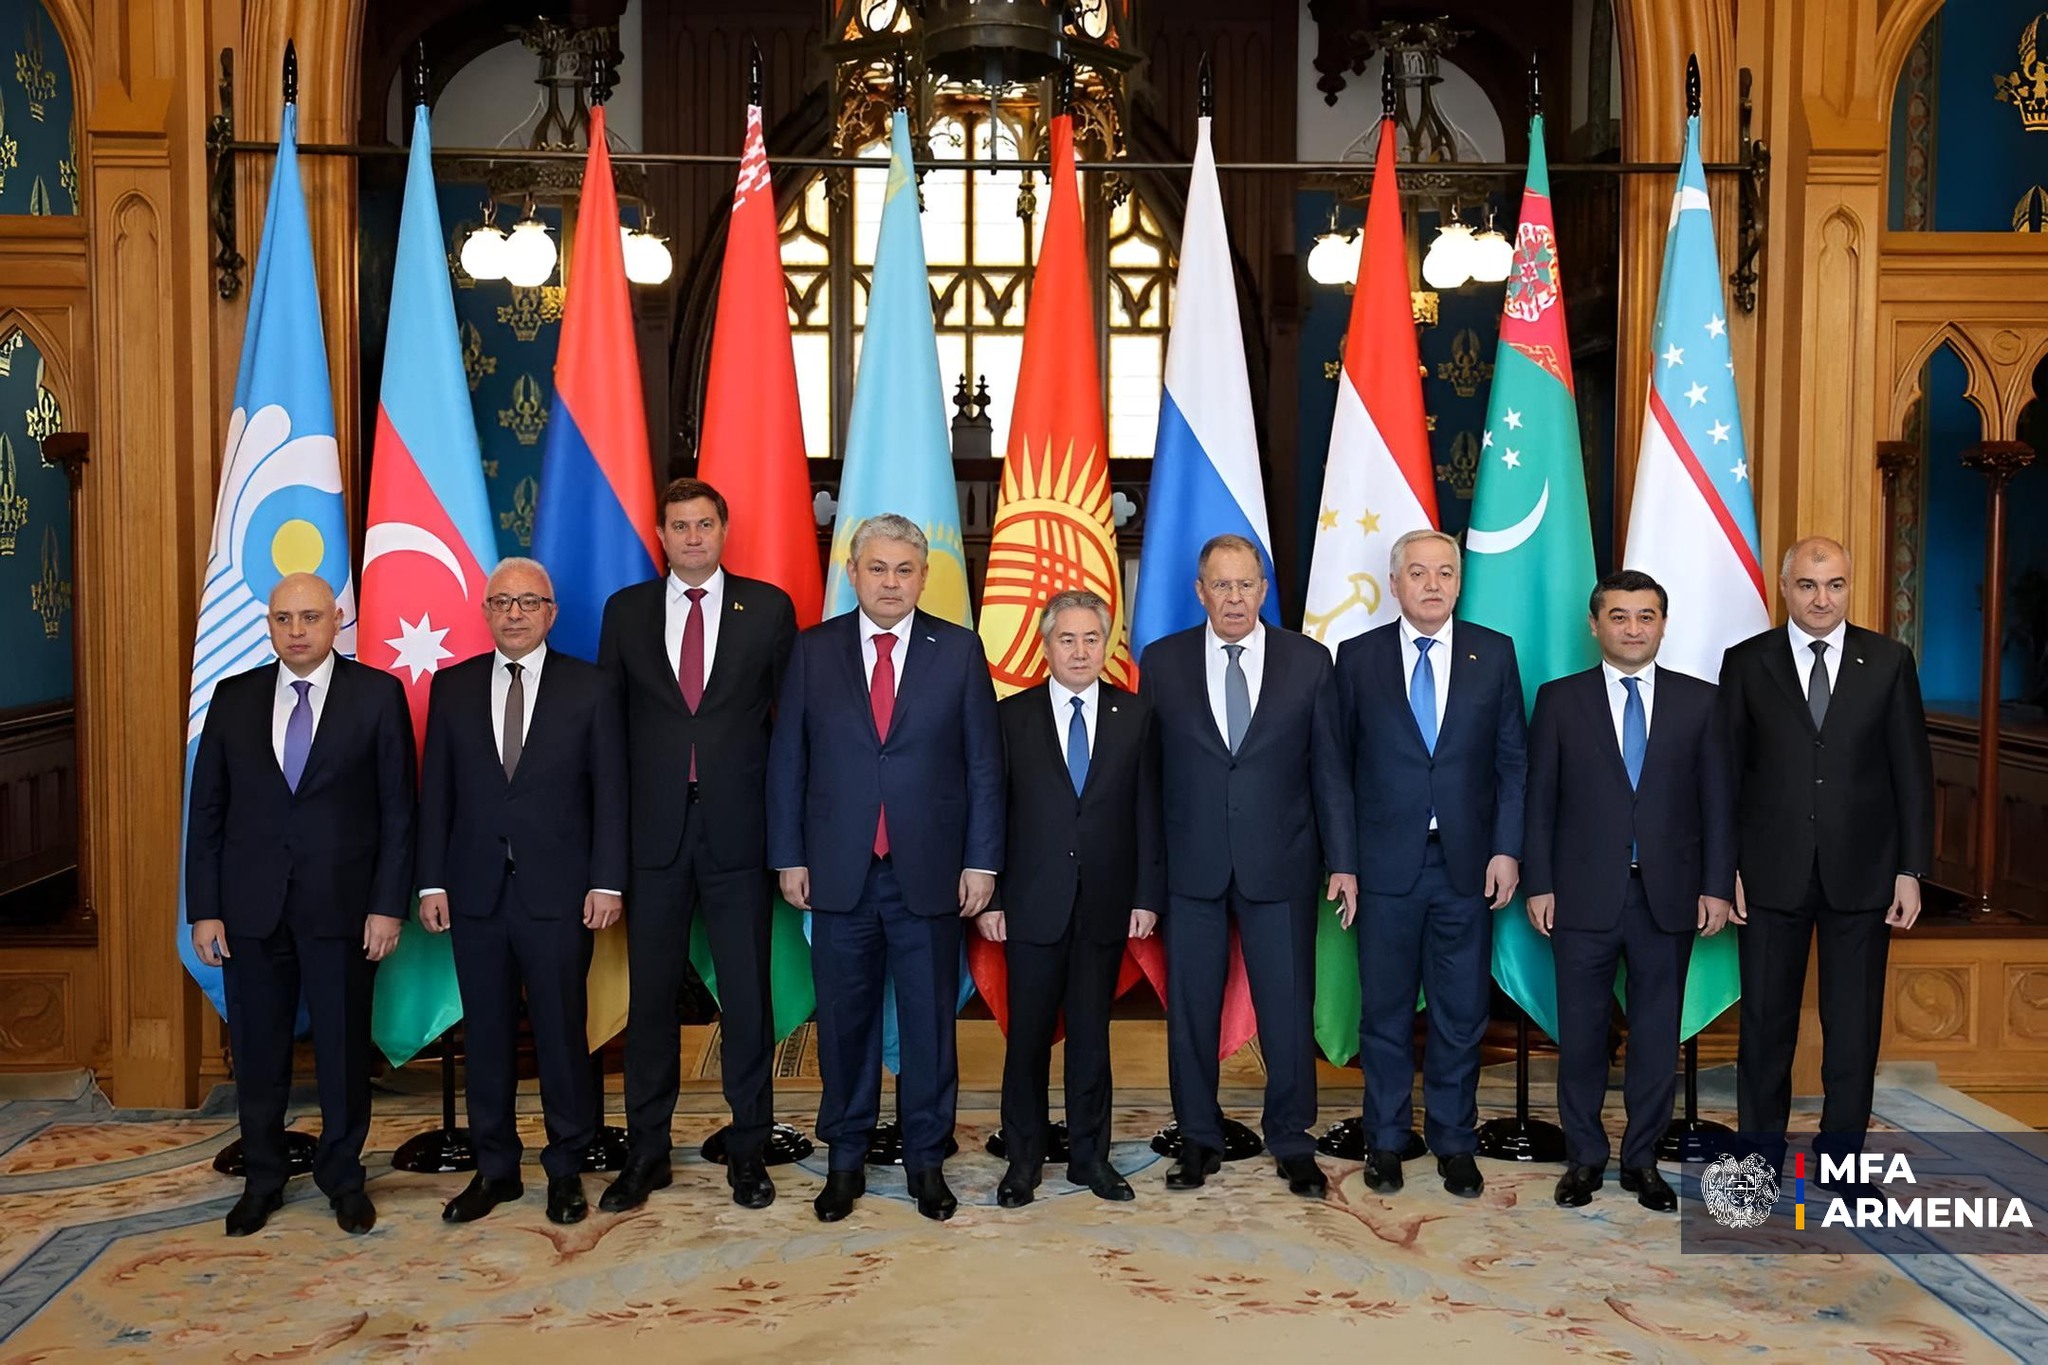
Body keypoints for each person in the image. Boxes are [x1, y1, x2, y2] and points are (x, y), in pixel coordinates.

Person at [767, 513, 1003, 1223]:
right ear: (853, 573)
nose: (891, 582)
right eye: (877, 568)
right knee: (845, 1024)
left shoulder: (958, 650)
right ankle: (845, 1160)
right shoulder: (813, 650)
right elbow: (788, 760)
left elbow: (984, 765)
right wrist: (789, 854)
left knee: (929, 1024)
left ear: (924, 577)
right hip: (837, 871)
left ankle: (926, 1159)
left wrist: (982, 861)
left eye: (905, 570)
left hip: (929, 872)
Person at [186, 572, 414, 1237]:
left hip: (344, 909)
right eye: (283, 619)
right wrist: (205, 908)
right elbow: (207, 812)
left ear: (336, 619)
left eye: (310, 616)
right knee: (258, 1055)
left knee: (343, 1052)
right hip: (249, 911)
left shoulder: (377, 695)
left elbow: (399, 811)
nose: (296, 630)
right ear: (269, 625)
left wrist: (387, 905)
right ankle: (263, 1178)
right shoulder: (233, 698)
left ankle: (343, 1177)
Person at [595, 478, 798, 1213]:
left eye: (703, 524)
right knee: (651, 1003)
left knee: (747, 1000)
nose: (691, 537)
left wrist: (790, 842)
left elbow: (792, 732)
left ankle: (749, 1149)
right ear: (660, 535)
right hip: (652, 838)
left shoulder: (767, 609)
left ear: (723, 529)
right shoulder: (625, 611)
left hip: (740, 835)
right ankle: (646, 1153)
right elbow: (608, 737)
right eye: (678, 526)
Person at [1139, 533, 1356, 1196]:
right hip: (1191, 868)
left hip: (1282, 862)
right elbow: (1148, 781)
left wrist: (1344, 861)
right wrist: (1147, 879)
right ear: (1200, 592)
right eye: (1221, 585)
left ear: (1263, 590)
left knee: (1287, 1009)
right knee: (1192, 1012)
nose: (1234, 598)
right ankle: (1198, 1139)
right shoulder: (1163, 660)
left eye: (1245, 584)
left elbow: (1330, 770)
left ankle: (1291, 1139)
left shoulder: (1307, 661)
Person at [415, 558, 627, 1225]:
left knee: (562, 1036)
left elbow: (611, 793)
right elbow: (436, 792)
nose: (514, 613)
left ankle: (566, 1168)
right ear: (485, 611)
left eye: (528, 602)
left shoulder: (590, 687)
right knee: (486, 1036)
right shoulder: (452, 687)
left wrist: (607, 880)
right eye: (502, 601)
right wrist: (431, 881)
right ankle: (495, 1169)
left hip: (560, 895)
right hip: (475, 893)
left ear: (550, 613)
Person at [1523, 569, 1735, 1212]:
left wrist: (1716, 886)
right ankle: (1585, 1157)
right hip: (1580, 895)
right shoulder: (1560, 700)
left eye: (1646, 616)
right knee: (1582, 1035)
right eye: (1619, 616)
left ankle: (1642, 1160)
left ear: (1663, 624)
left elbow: (1718, 804)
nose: (1633, 628)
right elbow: (1539, 801)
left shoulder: (1701, 701)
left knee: (1655, 1037)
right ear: (1595, 625)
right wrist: (1539, 883)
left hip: (1668, 897)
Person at [1719, 536, 1933, 1167]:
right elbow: (1725, 774)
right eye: (1809, 585)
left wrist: (1911, 869)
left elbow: (1912, 773)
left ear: (1849, 587)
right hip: (1768, 873)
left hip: (1864, 874)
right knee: (1765, 1026)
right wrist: (1725, 866)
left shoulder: (1889, 660)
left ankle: (1843, 1159)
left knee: (1853, 1029)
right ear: (1786, 588)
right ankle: (1758, 1161)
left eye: (1835, 585)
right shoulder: (1746, 661)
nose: (1822, 599)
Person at [1336, 528, 1525, 1200]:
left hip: (1466, 866)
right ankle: (1386, 1141)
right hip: (1383, 868)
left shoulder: (1493, 653)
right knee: (1385, 1012)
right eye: (1418, 572)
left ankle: (1453, 1141)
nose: (1433, 584)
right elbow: (1335, 769)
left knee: (1461, 1012)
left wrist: (1506, 848)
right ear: (1395, 583)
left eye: (1445, 572)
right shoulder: (1356, 658)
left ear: (1459, 582)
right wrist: (1343, 862)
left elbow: (1512, 761)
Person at [981, 589, 1163, 1207]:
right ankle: (1023, 1161)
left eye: (1091, 639)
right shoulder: (1010, 717)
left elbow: (1148, 811)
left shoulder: (1134, 716)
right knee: (1027, 1039)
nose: (1080, 651)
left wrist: (1146, 895)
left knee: (1091, 1038)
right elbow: (992, 812)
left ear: (1106, 645)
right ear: (1046, 645)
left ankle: (1091, 1158)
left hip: (1106, 904)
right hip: (1030, 904)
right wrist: (992, 898)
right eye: (1067, 639)